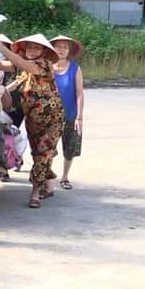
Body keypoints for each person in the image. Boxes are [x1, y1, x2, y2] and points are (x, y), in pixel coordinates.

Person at [0, 34, 64, 208]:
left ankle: (35, 193)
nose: (32, 51)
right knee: (38, 153)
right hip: (32, 119)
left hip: (53, 120)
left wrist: (0, 46)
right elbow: (0, 65)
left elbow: (20, 63)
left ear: (43, 51)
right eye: (29, 47)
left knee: (42, 154)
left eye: (36, 48)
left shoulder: (44, 65)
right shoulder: (23, 68)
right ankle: (48, 180)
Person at [51, 35, 85, 190]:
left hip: (70, 115)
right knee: (48, 149)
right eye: (58, 46)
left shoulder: (74, 68)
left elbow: (79, 93)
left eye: (65, 47)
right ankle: (47, 177)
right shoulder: (47, 66)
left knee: (69, 148)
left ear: (69, 51)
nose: (61, 50)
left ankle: (64, 177)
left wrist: (80, 116)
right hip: (50, 116)